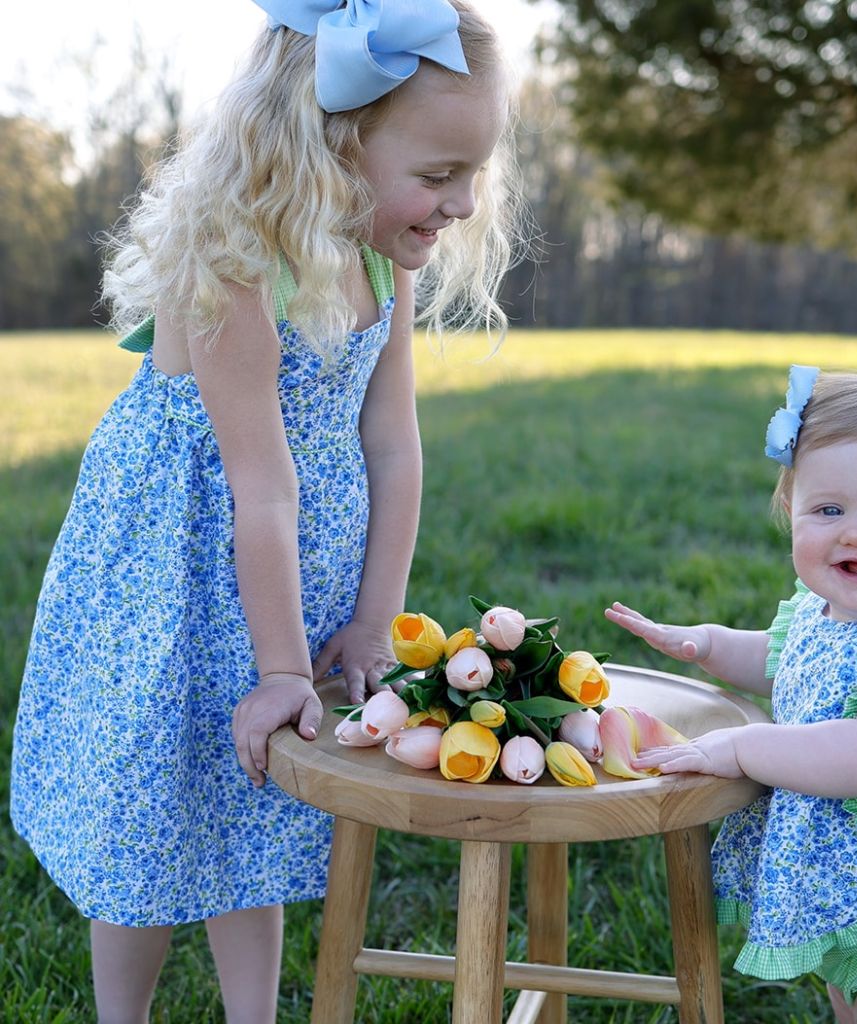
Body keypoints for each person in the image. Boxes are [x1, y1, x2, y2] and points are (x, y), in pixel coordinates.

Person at [10, 1, 523, 1020]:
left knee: (260, 786)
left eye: (477, 169)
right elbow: (261, 482)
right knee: (156, 794)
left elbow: (393, 442)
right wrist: (283, 664)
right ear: (335, 141)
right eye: (437, 174)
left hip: (292, 562)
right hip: (181, 561)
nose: (464, 201)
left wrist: (374, 617)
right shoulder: (234, 258)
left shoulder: (385, 262)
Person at [606, 367, 857, 1024]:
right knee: (853, 1008)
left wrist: (745, 747)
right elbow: (788, 666)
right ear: (790, 512)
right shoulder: (820, 612)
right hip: (851, 884)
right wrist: (708, 644)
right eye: (829, 510)